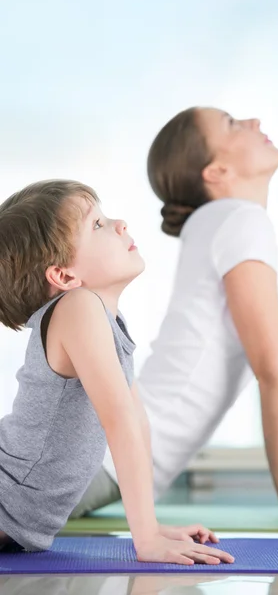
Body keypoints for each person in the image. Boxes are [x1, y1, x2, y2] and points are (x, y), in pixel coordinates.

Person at [75, 107, 278, 531]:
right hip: (101, 456)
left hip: (104, 454)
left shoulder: (217, 222)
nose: (255, 121)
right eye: (233, 124)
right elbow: (272, 371)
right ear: (217, 170)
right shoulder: (241, 219)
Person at [0, 179, 234, 566]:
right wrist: (146, 542)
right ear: (63, 276)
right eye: (97, 225)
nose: (120, 223)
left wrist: (151, 529)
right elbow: (120, 423)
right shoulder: (78, 308)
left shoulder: (105, 318)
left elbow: (136, 421)